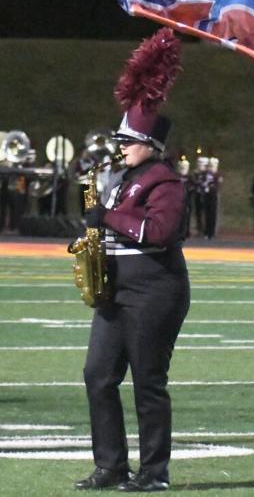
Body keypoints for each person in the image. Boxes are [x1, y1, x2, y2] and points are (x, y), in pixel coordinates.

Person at [76, 28, 190, 492]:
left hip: (154, 290)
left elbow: (160, 233)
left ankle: (154, 472)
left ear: (150, 144)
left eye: (128, 141)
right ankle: (110, 466)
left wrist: (108, 217)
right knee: (98, 376)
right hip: (117, 288)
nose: (120, 147)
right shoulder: (123, 179)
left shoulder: (165, 180)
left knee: (148, 381)